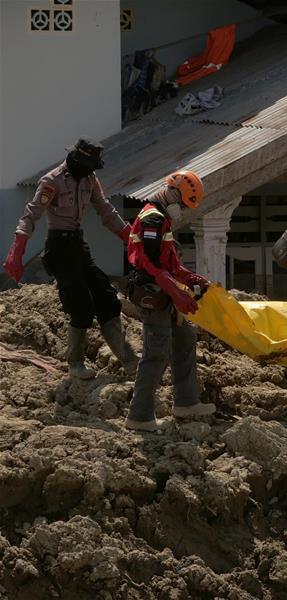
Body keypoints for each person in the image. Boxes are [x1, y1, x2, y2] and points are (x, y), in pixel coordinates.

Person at [2, 137, 138, 379]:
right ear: (76, 159)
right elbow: (30, 216)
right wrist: (17, 250)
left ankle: (129, 361)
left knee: (107, 299)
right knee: (81, 306)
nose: (90, 171)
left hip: (78, 245)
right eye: (88, 166)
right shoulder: (52, 181)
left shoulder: (90, 180)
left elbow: (106, 211)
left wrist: (131, 239)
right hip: (59, 249)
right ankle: (75, 364)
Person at [124, 170, 216, 431]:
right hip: (152, 292)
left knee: (185, 338)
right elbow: (152, 266)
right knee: (156, 353)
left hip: (163, 291)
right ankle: (139, 417)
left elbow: (171, 265)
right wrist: (178, 294)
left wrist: (193, 279)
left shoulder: (161, 219)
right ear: (172, 193)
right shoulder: (152, 219)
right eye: (183, 204)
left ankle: (186, 402)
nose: (182, 210)